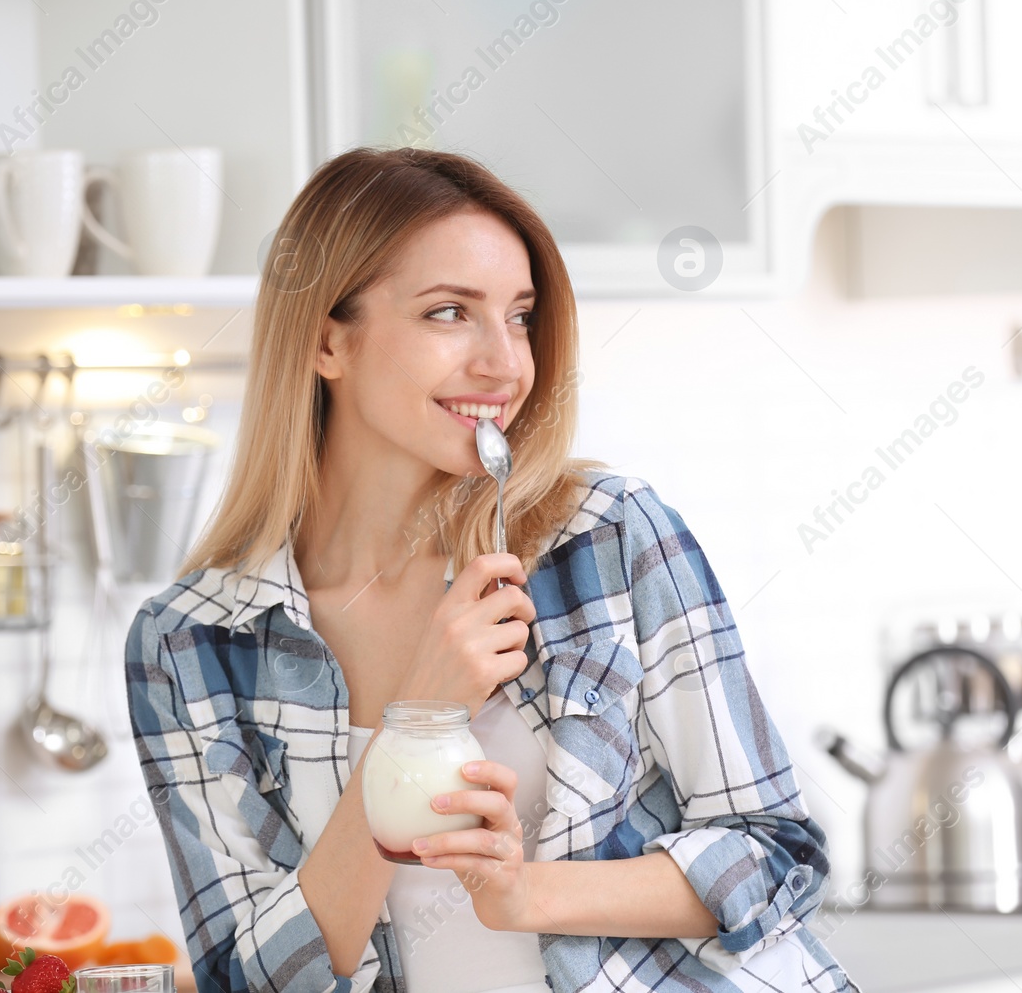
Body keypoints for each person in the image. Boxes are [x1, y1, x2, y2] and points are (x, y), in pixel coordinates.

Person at [125, 146, 855, 993]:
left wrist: (526, 890)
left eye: (518, 315)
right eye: (448, 313)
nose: (505, 363)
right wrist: (421, 725)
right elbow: (247, 980)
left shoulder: (607, 539)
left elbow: (777, 854)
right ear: (328, 340)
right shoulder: (190, 643)